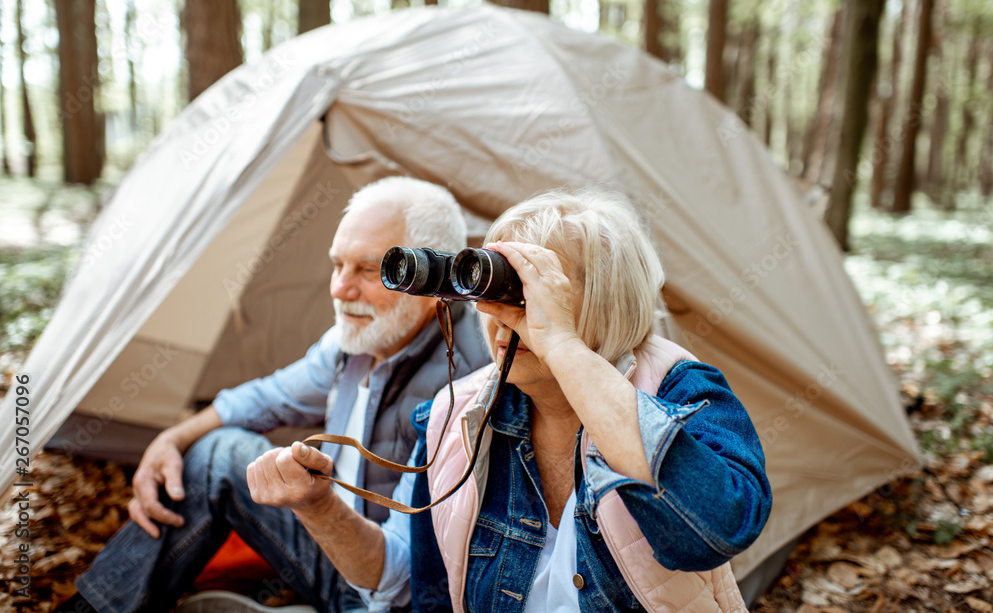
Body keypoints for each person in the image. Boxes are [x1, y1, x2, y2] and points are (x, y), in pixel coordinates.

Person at [247, 189, 773, 612]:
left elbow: (714, 530)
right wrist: (318, 508)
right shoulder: (458, 416)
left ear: (607, 299)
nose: (504, 313)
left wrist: (563, 345)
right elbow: (406, 579)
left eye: (527, 290)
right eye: (492, 285)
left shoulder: (682, 391)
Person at [56, 177, 491, 613]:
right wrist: (167, 441)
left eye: (368, 269)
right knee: (218, 452)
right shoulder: (358, 342)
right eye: (337, 265)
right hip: (337, 547)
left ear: (433, 277)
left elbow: (403, 582)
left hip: (383, 594)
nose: (340, 289)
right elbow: (263, 399)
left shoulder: (466, 384)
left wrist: (316, 506)